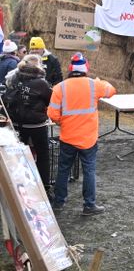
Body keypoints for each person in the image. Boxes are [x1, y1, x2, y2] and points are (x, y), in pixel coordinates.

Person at [47, 52, 116, 216]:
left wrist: (63, 123)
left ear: (70, 69)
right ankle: (89, 205)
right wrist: (100, 81)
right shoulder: (94, 85)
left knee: (63, 170)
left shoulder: (60, 87)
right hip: (88, 139)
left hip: (68, 137)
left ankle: (58, 203)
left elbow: (52, 114)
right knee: (89, 171)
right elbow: (112, 90)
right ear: (86, 68)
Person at [5, 54, 52, 188]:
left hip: (15, 124)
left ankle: (20, 184)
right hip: (36, 125)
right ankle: (44, 186)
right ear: (38, 66)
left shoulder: (13, 78)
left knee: (19, 155)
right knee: (43, 155)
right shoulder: (41, 83)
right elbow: (51, 100)